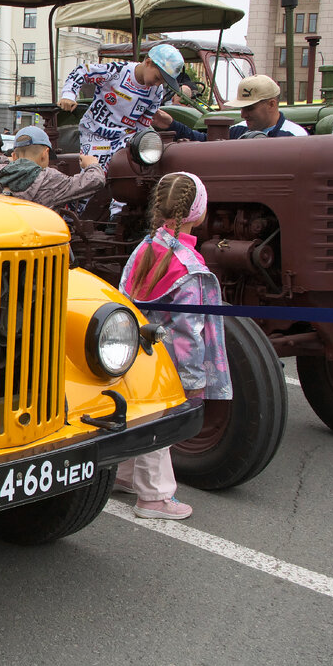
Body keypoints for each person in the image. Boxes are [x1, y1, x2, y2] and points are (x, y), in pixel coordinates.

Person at [116, 172, 232, 520]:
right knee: (161, 428)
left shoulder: (145, 247)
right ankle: (154, 498)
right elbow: (189, 332)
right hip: (167, 362)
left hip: (135, 351)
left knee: (139, 414)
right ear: (199, 211)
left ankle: (123, 475)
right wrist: (195, 380)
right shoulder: (191, 267)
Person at [58, 43, 185, 167]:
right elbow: (83, 71)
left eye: (162, 82)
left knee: (137, 167)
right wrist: (69, 95)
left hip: (125, 137)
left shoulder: (156, 91)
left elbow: (144, 122)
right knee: (94, 173)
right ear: (148, 63)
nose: (157, 84)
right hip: (95, 133)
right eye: (157, 78)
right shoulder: (117, 71)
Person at [0, 125, 105, 209]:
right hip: (35, 246)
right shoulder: (50, 178)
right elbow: (95, 180)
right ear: (45, 154)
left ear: (14, 155)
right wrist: (92, 164)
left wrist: (7, 159)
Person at [152, 74, 308, 140]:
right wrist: (171, 125)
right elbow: (207, 143)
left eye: (249, 108)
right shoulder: (239, 130)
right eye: (242, 108)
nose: (243, 114)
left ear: (271, 104)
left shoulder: (295, 137)